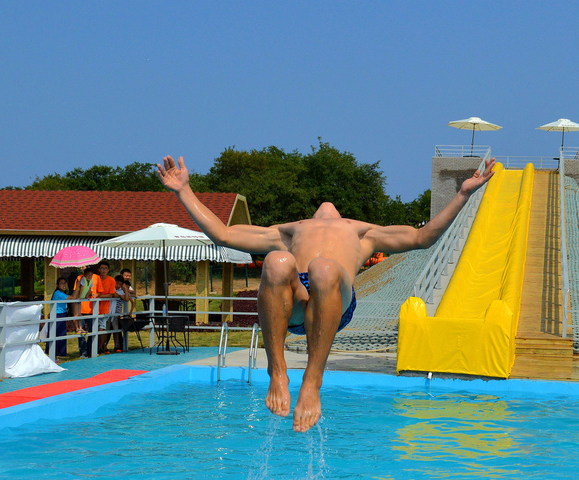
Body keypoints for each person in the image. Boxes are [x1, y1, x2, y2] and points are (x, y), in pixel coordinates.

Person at [157, 153, 496, 433]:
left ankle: (311, 381)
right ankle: (277, 370)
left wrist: (463, 194)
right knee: (276, 262)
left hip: (333, 297)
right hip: (293, 302)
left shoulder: (364, 232)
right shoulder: (288, 232)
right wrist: (183, 191)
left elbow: (424, 238)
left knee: (324, 268)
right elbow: (224, 234)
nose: (327, 205)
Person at [45, 277, 80, 361]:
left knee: (60, 335)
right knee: (56, 335)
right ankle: (53, 356)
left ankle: (56, 356)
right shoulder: (58, 293)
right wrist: (78, 286)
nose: (64, 285)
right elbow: (73, 297)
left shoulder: (61, 293)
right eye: (61, 283)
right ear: (57, 285)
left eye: (65, 283)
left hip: (61, 314)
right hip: (57, 315)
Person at [90, 260, 116, 354]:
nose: (103, 270)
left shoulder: (111, 280)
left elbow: (111, 294)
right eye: (102, 268)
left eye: (105, 268)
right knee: (95, 328)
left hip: (105, 308)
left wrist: (99, 296)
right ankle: (96, 347)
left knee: (102, 328)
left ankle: (101, 347)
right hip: (93, 308)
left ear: (108, 270)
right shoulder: (94, 279)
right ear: (98, 269)